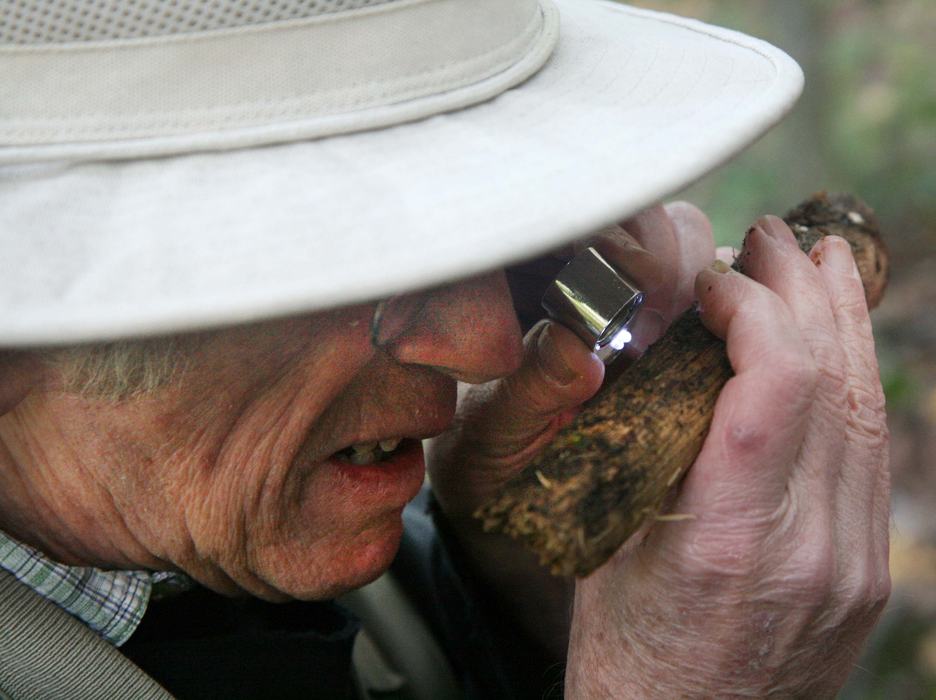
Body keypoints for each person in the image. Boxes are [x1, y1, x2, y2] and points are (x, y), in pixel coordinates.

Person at [0, 0, 890, 698]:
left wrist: (511, 577)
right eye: (354, 258)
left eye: (482, 238)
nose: (489, 348)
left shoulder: (204, 533)